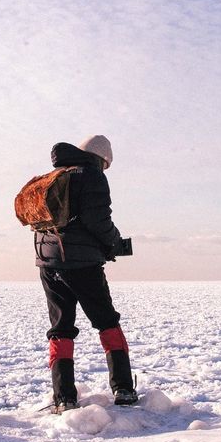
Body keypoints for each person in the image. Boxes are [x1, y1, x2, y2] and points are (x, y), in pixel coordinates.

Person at [34, 134, 138, 412]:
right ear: (101, 158)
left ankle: (64, 397)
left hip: (48, 262)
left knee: (61, 328)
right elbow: (98, 220)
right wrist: (113, 243)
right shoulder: (91, 175)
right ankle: (124, 389)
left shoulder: (57, 175)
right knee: (107, 322)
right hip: (82, 265)